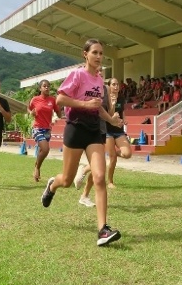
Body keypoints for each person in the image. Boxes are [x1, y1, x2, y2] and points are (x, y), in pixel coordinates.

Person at [40, 38, 123, 246]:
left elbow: (98, 108)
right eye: (95, 52)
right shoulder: (77, 75)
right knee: (67, 181)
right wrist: (84, 104)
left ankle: (103, 230)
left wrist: (111, 119)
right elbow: (60, 99)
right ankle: (52, 185)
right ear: (85, 54)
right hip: (75, 128)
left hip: (94, 130)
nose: (98, 56)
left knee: (100, 176)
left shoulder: (100, 82)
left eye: (101, 53)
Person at [28, 79, 62, 182]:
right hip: (37, 128)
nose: (47, 87)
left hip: (47, 129)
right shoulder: (35, 100)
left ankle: (36, 168)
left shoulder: (52, 100)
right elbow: (29, 108)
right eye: (44, 86)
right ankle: (37, 168)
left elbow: (59, 114)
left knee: (43, 151)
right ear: (40, 88)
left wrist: (59, 106)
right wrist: (31, 113)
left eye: (48, 86)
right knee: (45, 149)